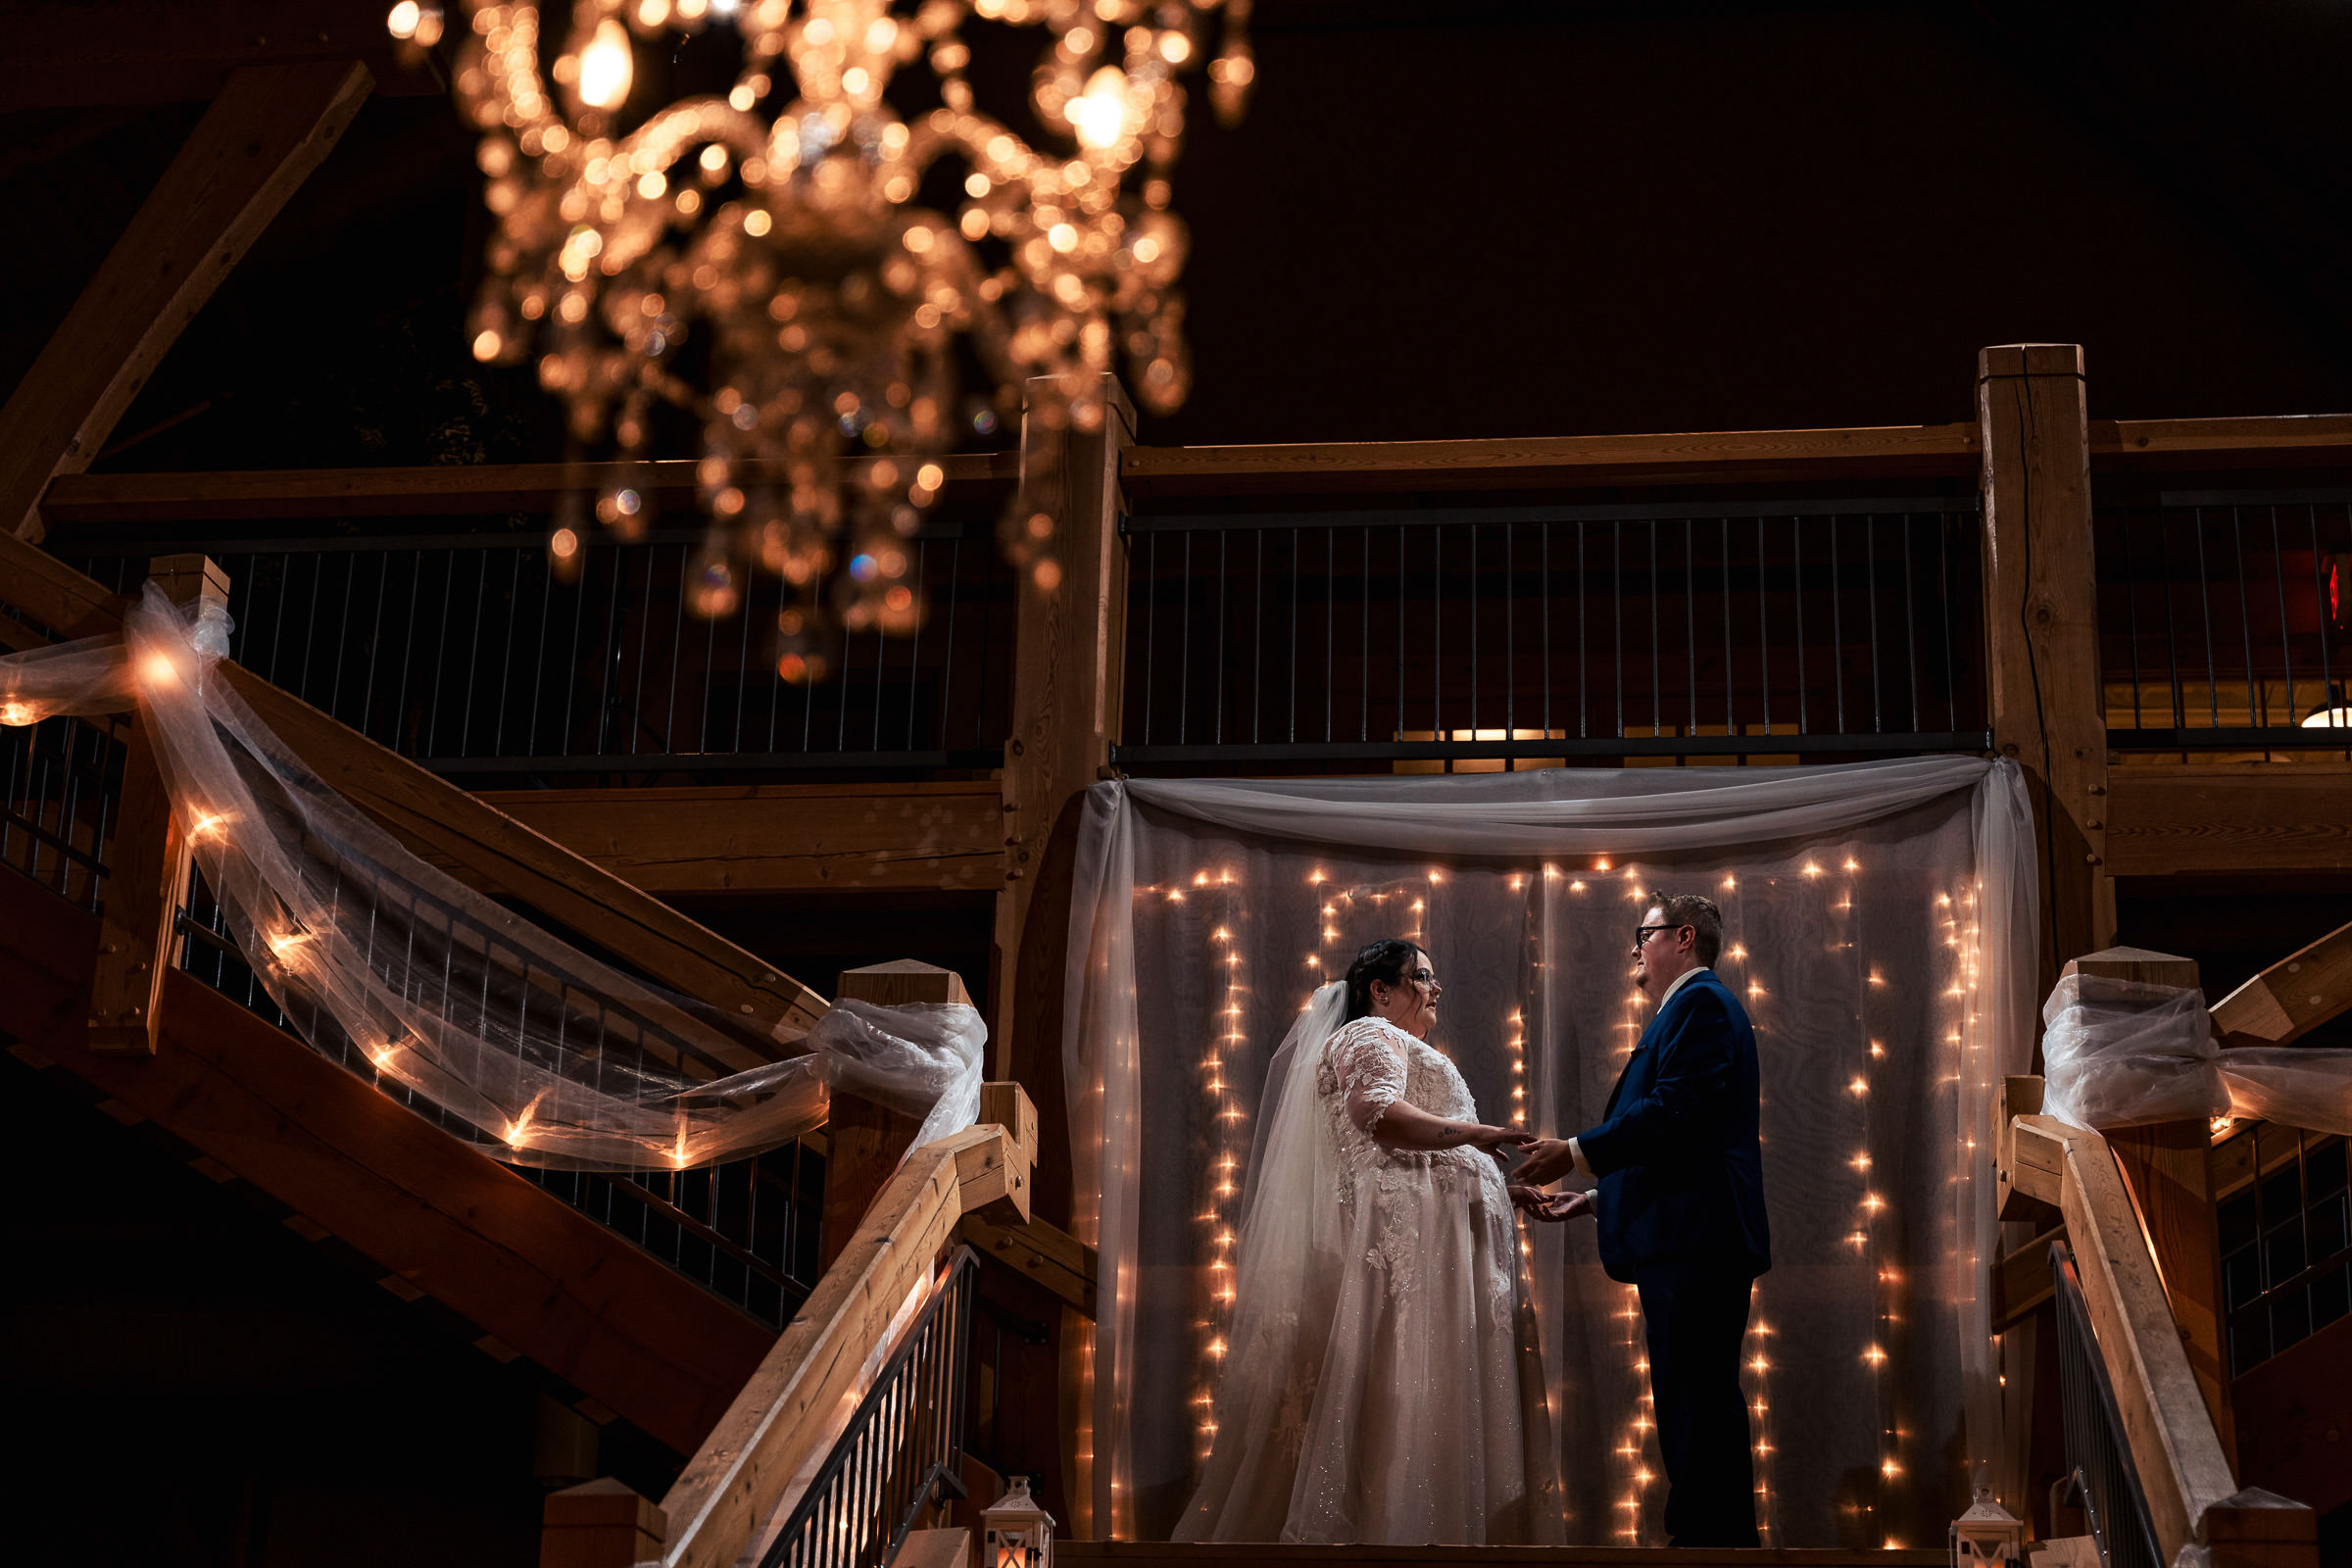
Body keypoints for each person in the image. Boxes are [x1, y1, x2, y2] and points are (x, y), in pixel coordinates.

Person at [1174, 938, 1568, 1544]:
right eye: (1422, 978)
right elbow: (1374, 1113)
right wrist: (1483, 1133)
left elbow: (1425, 1153)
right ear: (1380, 992)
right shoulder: (1367, 1034)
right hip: (1408, 1248)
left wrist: (1495, 1188)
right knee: (1400, 1387)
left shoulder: (1398, 1042)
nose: (1435, 990)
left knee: (1427, 1396)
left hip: (1441, 1247)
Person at [1514, 892, 1769, 1548]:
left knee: (1696, 1407)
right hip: (1685, 1232)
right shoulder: (1685, 1009)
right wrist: (1598, 1198)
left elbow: (1676, 1111)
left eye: (1644, 933)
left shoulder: (1701, 1003)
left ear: (1683, 937)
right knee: (1693, 1403)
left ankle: (1708, 1550)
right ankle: (1712, 1544)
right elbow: (1687, 1144)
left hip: (1695, 1241)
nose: (1634, 947)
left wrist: (1574, 1154)